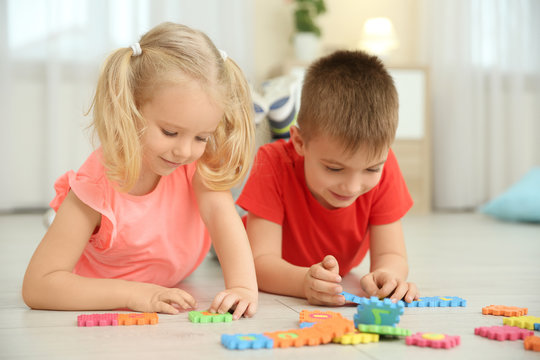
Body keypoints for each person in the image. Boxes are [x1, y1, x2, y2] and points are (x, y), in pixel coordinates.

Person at [22, 22, 258, 319]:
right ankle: (60, 218)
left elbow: (223, 220)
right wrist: (135, 293)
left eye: (202, 137)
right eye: (170, 132)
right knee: (74, 223)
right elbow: (38, 287)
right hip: (101, 283)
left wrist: (244, 288)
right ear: (130, 108)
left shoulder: (197, 166)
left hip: (169, 269)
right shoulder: (96, 185)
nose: (185, 151)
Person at [237, 50, 419, 306]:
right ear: (299, 142)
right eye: (334, 169)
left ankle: (280, 118)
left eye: (371, 169)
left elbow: (391, 254)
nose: (352, 187)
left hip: (319, 262)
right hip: (249, 236)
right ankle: (270, 123)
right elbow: (258, 263)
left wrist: (388, 277)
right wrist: (303, 282)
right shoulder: (272, 161)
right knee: (224, 244)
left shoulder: (387, 164)